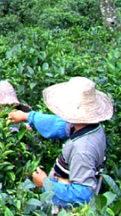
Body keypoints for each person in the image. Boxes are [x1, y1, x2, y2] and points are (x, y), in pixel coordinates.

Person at [8, 76, 111, 207]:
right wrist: (28, 116)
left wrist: (45, 183)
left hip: (69, 214)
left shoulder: (82, 150)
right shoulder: (90, 126)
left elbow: (83, 194)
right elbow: (60, 125)